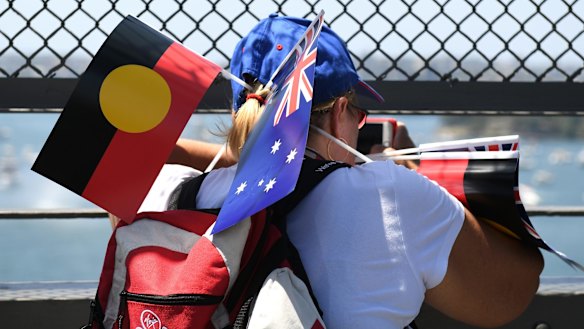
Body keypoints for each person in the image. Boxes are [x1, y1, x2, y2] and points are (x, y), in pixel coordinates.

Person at [140, 14, 543, 329]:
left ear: (239, 112)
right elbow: (510, 294)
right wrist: (416, 171)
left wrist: (251, 158)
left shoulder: (167, 198)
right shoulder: (391, 196)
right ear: (337, 116)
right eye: (358, 114)